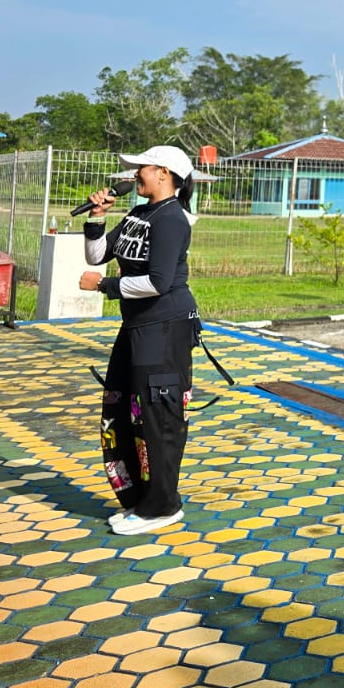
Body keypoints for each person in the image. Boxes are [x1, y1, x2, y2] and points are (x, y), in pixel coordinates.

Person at [79, 144, 201, 536]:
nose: (135, 175)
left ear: (164, 173)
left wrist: (106, 287)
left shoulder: (171, 219)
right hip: (136, 329)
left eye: (142, 168)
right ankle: (139, 499)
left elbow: (158, 281)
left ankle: (162, 506)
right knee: (120, 407)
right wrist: (97, 218)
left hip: (165, 330)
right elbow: (97, 255)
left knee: (157, 418)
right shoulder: (138, 214)